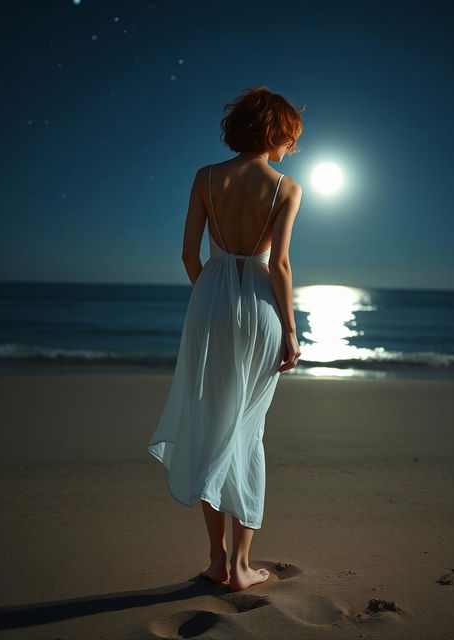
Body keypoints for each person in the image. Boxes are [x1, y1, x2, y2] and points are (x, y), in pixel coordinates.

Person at [147, 85, 304, 591]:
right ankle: (240, 566)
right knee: (247, 431)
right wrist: (292, 331)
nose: (292, 149)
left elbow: (189, 257)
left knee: (211, 425)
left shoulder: (205, 177)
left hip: (210, 303)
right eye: (291, 138)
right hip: (260, 309)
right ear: (276, 132)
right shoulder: (285, 187)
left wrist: (214, 300)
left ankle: (217, 562)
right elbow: (277, 264)